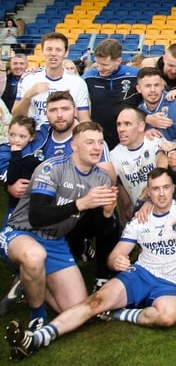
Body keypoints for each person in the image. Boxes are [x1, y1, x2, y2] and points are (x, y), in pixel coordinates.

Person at [4, 168, 176, 360]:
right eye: (155, 189)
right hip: (139, 274)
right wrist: (118, 260)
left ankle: (117, 314)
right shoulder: (139, 219)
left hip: (171, 283)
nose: (161, 194)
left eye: (166, 187)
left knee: (168, 317)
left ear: (173, 188)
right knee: (95, 302)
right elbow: (114, 257)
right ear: (148, 191)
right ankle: (36, 338)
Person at [0, 122, 116, 327]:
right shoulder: (52, 167)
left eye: (100, 142)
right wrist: (81, 204)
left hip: (55, 241)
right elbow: (37, 216)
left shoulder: (102, 179)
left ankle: (30, 281)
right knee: (34, 256)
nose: (96, 148)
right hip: (21, 233)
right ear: (74, 145)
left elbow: (100, 230)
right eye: (89, 142)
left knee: (77, 310)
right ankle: (38, 316)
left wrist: (107, 214)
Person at [12, 32, 90, 129]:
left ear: (66, 53)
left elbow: (84, 120)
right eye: (49, 49)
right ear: (42, 51)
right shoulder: (28, 78)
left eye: (58, 50)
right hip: (35, 139)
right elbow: (16, 116)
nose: (53, 53)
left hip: (66, 139)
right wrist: (28, 95)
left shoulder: (78, 83)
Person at [81, 38, 140, 148]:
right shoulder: (89, 77)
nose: (100, 68)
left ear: (118, 61)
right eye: (97, 63)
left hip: (128, 137)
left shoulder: (134, 75)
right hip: (99, 138)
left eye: (105, 65)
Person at [136, 67, 176, 142]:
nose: (153, 90)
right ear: (138, 89)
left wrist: (171, 146)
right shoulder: (139, 109)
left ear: (162, 86)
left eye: (157, 85)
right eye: (148, 86)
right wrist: (145, 134)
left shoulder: (174, 104)